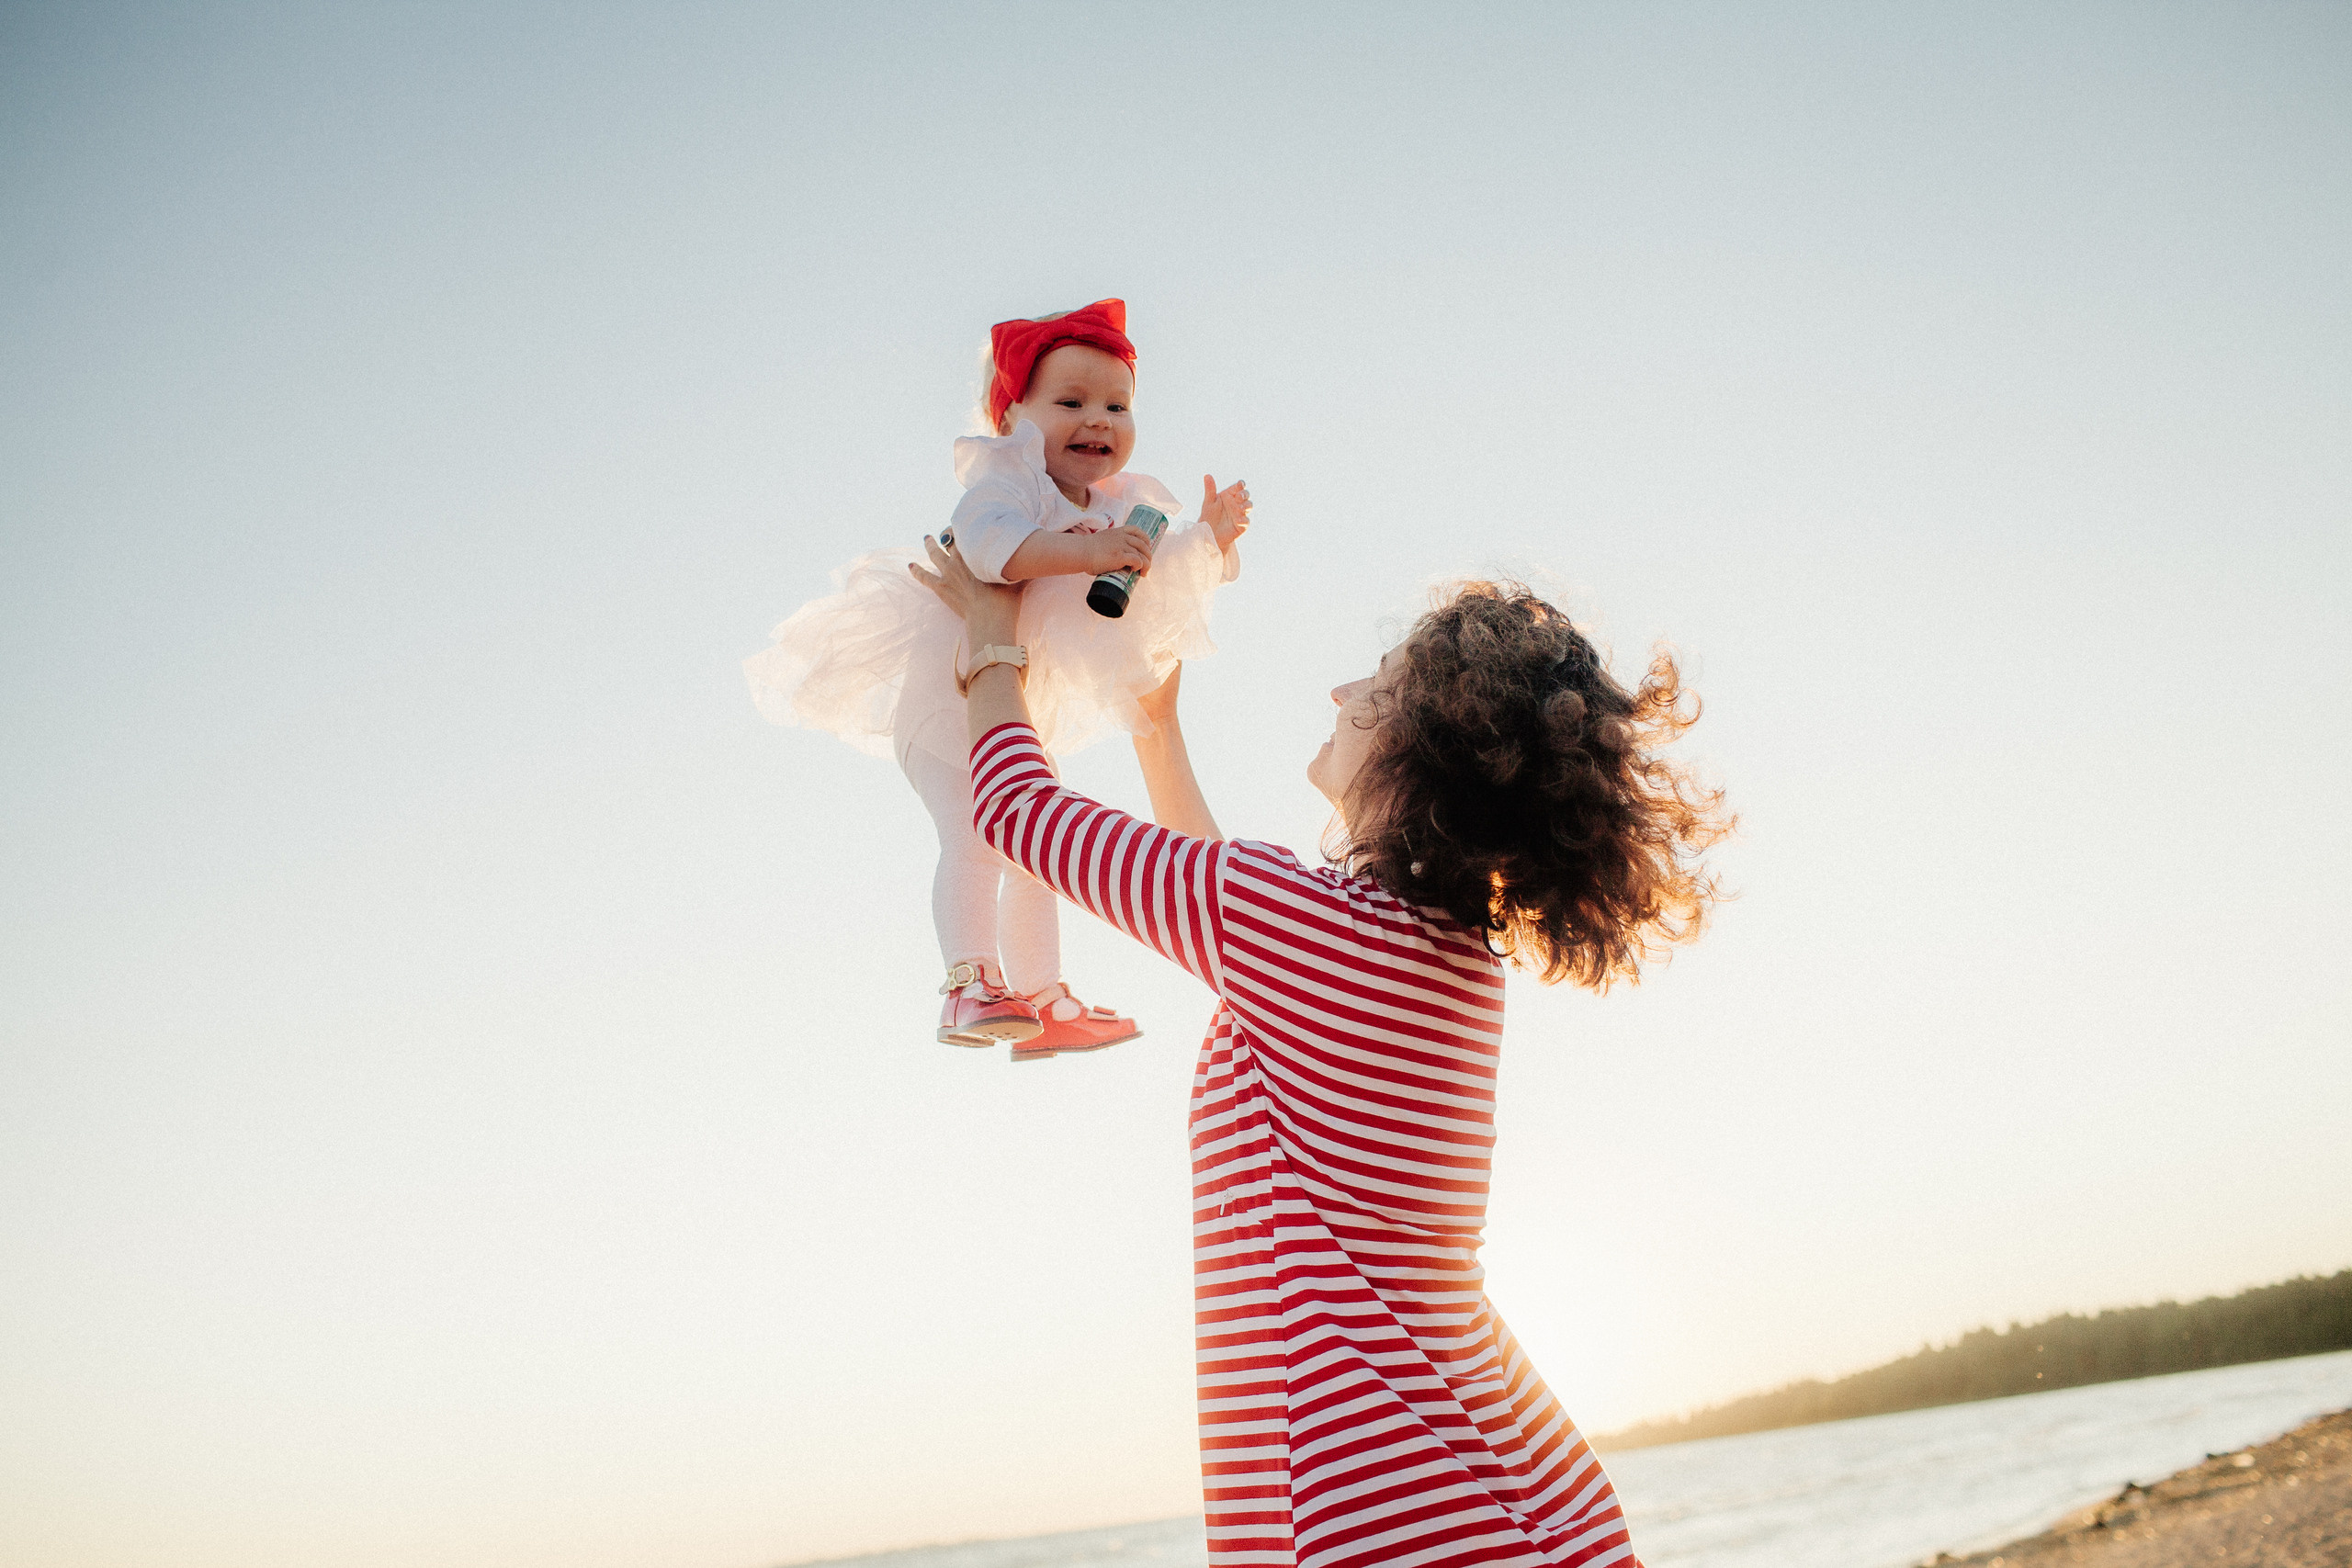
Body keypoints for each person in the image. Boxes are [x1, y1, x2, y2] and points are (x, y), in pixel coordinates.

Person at [911, 538, 1729, 1567]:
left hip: (1379, 1509)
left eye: (1375, 687)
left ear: (1419, 742)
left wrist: (991, 647)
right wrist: (1158, 735)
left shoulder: (1304, 931)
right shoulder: (1445, 961)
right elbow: (1236, 930)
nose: (1341, 686)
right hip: (1506, 1493)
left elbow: (1016, 815)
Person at [744, 299, 1251, 1059]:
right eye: (1070, 401)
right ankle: (968, 982)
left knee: (1035, 848)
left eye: (1118, 404)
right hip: (949, 702)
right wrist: (1089, 552)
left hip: (1007, 704)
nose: (1099, 419)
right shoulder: (1007, 484)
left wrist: (1212, 538)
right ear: (1012, 414)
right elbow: (988, 550)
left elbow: (1165, 570)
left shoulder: (1118, 506)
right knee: (978, 836)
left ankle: (1044, 1002)